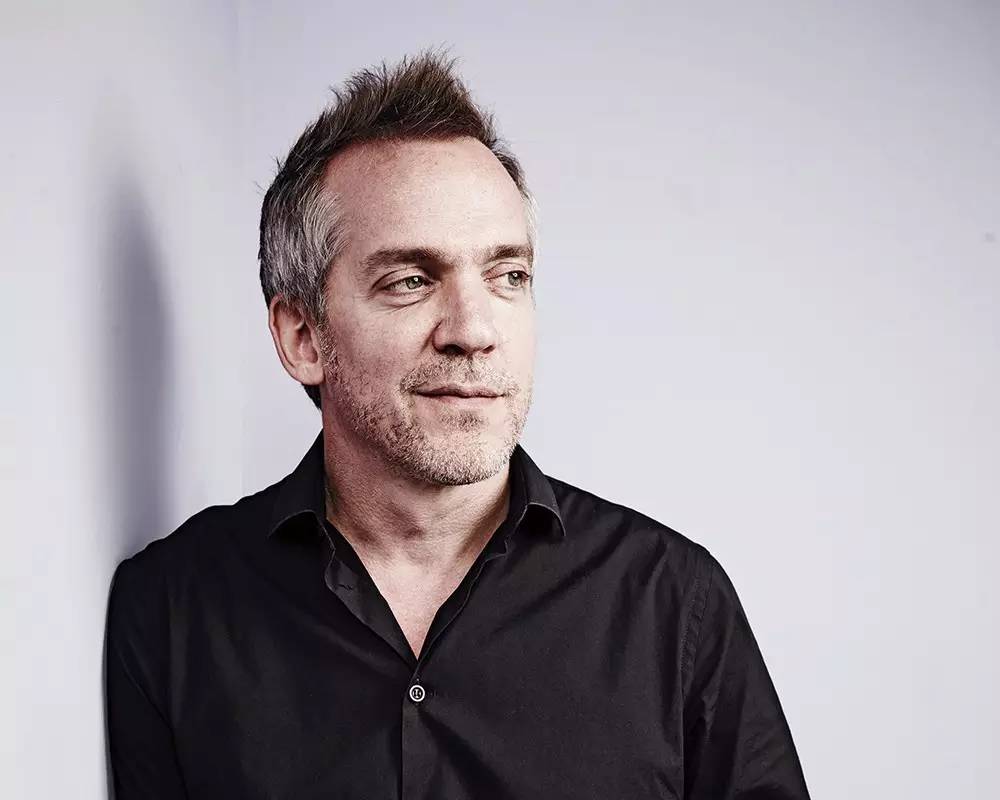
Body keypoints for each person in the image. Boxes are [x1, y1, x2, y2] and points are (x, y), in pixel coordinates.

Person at [105, 50, 811, 799]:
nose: (474, 330)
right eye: (411, 281)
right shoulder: (172, 610)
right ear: (303, 337)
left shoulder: (673, 602)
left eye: (508, 276)